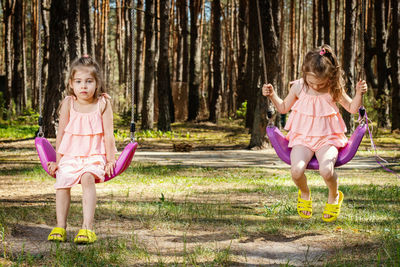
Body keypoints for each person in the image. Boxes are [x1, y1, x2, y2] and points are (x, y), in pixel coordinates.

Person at [262, 44, 367, 222]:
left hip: (328, 139)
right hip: (302, 138)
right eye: (312, 82)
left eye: (321, 83)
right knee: (296, 170)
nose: (316, 87)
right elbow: (282, 107)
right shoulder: (299, 87)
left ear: (330, 77)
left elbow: (351, 108)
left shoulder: (333, 88)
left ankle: (334, 195)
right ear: (305, 74)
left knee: (326, 170)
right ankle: (304, 193)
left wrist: (358, 94)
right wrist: (272, 95)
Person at [47, 55, 116, 243]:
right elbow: (61, 134)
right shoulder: (69, 103)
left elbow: (109, 135)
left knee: (87, 178)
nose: (83, 86)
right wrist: (58, 160)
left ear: (97, 83)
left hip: (94, 155)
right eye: (78, 81)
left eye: (88, 81)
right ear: (71, 83)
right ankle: (60, 226)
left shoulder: (103, 104)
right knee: (62, 180)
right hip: (71, 155)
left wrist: (111, 160)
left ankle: (87, 228)